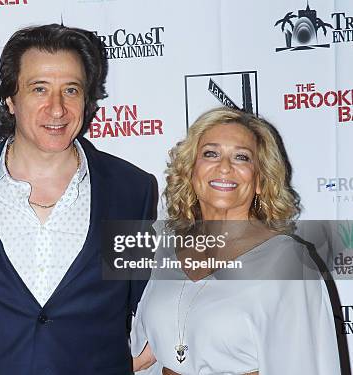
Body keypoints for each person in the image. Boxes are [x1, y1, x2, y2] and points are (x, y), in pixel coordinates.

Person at [0, 24, 158, 373]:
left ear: (87, 99)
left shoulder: (128, 190)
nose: (56, 109)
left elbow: (147, 299)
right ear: (10, 99)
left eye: (71, 90)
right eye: (39, 89)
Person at [131, 107, 340, 374]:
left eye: (241, 157)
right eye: (211, 154)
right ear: (191, 171)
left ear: (260, 181)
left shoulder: (288, 263)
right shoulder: (166, 248)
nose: (225, 167)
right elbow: (145, 356)